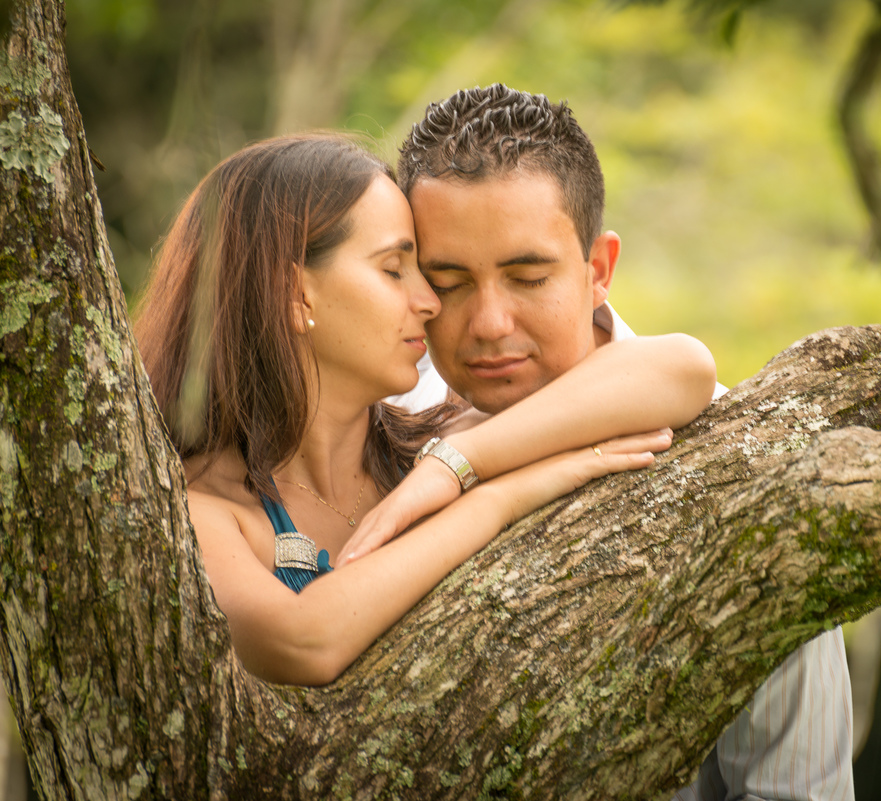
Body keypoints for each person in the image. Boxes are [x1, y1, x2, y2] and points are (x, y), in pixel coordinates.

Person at [342, 85, 855, 800]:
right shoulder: (378, 434)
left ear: (599, 271)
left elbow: (793, 788)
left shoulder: (742, 464)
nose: (488, 322)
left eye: (527, 276)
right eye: (449, 281)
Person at [133, 133, 717, 687]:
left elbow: (683, 369)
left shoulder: (441, 435)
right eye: (395, 270)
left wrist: (452, 464)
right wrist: (496, 499)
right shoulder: (200, 512)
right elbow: (302, 641)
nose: (431, 301)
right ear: (295, 293)